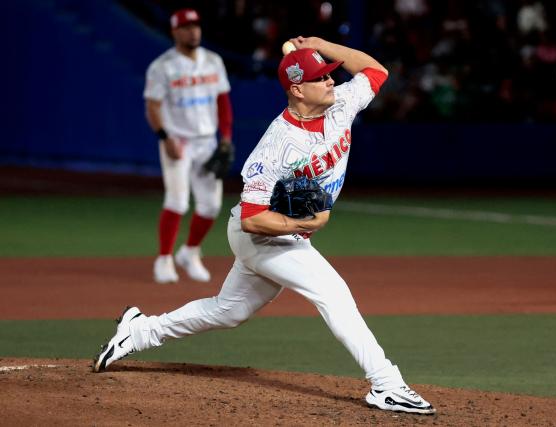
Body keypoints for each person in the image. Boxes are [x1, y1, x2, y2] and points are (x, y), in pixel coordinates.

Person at [95, 36, 435, 415]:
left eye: (329, 76)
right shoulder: (276, 144)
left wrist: (322, 45)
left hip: (286, 235)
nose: (331, 82)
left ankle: (140, 330)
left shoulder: (342, 103)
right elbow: (253, 217)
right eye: (321, 77)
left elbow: (376, 71)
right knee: (332, 292)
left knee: (229, 310)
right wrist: (305, 221)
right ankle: (387, 384)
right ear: (296, 89)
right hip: (259, 236)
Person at [144, 8, 233, 284]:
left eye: (196, 26)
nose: (193, 31)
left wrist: (226, 137)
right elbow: (152, 106)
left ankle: (190, 252)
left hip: (207, 141)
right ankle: (164, 259)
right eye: (186, 27)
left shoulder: (213, 61)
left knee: (210, 206)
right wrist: (164, 136)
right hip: (178, 140)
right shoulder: (163, 66)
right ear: (175, 31)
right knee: (177, 201)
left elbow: (223, 103)